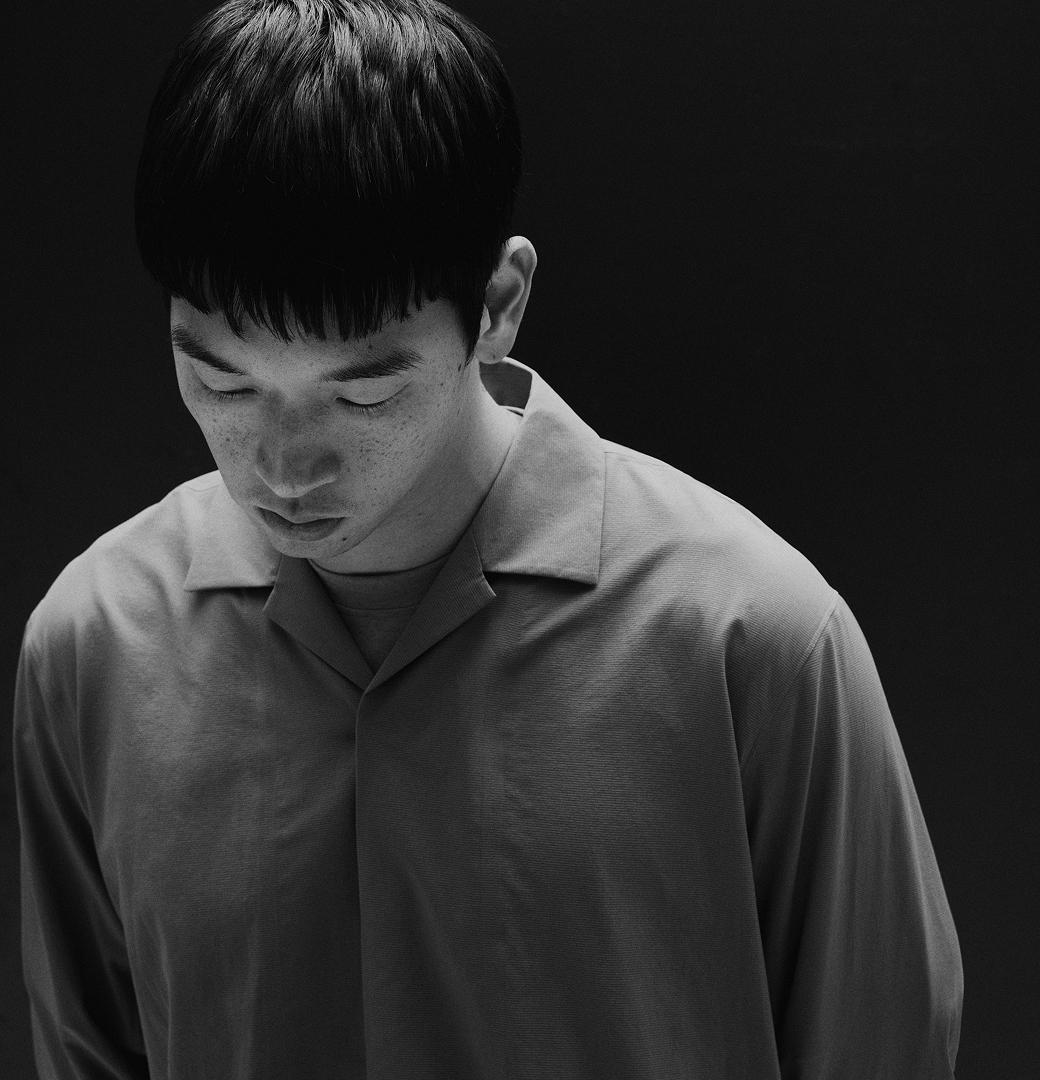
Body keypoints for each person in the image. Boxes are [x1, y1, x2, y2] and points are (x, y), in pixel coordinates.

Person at [12, 1, 964, 1077]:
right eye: (220, 379)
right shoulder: (92, 646)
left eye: (362, 395)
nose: (278, 466)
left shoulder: (754, 639)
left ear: (500, 301)